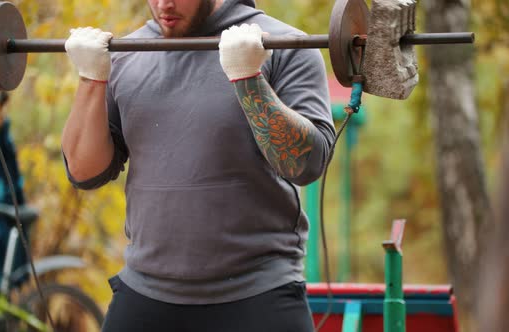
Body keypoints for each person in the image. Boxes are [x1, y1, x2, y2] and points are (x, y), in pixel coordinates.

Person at [62, 0, 335, 331]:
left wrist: (249, 79)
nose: (165, 4)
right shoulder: (127, 53)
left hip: (258, 293)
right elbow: (84, 172)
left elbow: (306, 164)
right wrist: (91, 79)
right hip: (145, 292)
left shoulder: (283, 45)